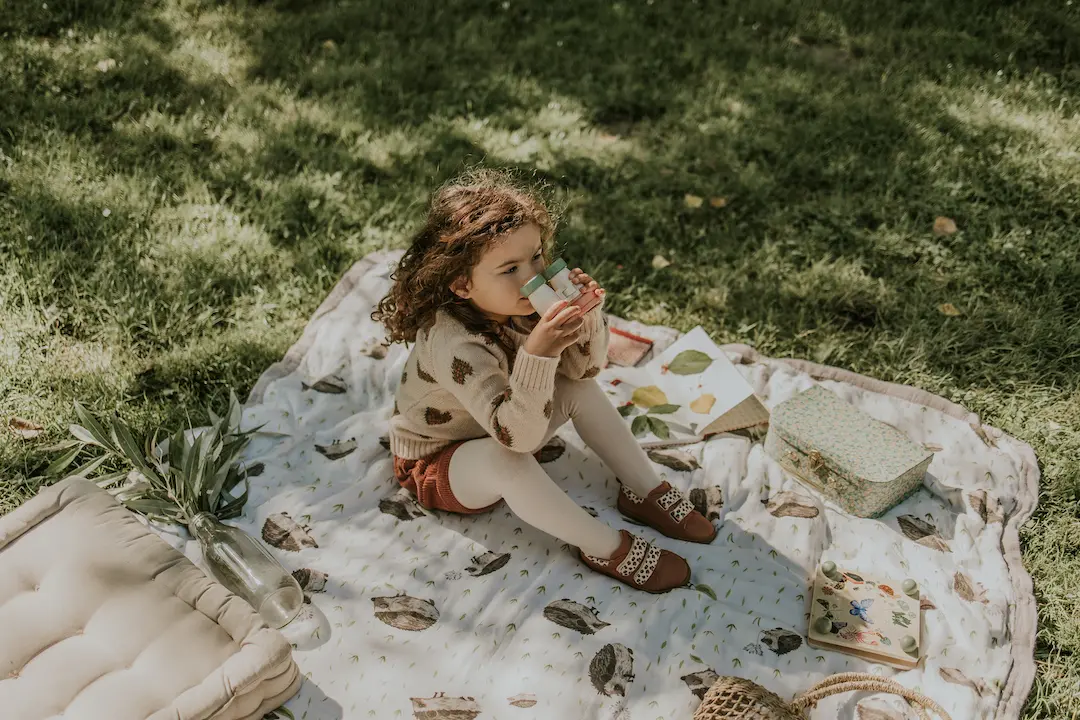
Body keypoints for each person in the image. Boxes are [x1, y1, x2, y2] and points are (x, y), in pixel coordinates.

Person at [372, 168, 716, 593]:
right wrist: (538, 353)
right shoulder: (455, 344)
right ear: (462, 284)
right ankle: (606, 547)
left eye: (536, 257)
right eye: (510, 268)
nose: (532, 276)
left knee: (578, 389)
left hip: (505, 420)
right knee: (509, 464)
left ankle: (644, 489)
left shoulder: (517, 305)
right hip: (440, 461)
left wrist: (585, 317)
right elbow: (515, 441)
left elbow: (583, 372)